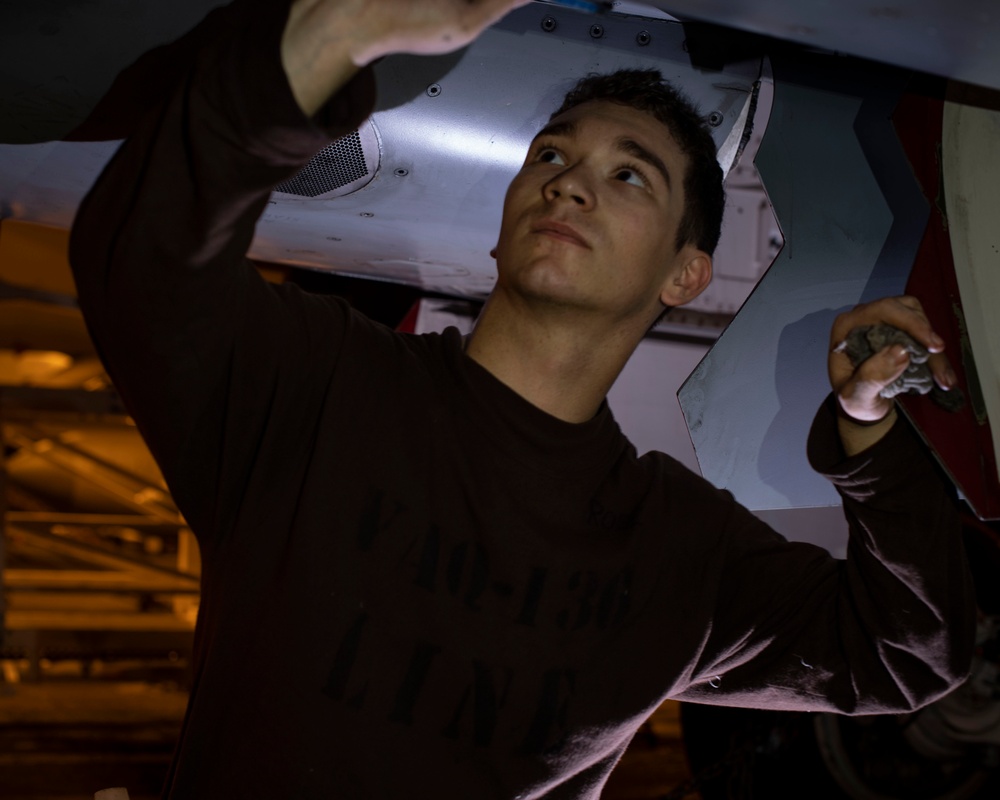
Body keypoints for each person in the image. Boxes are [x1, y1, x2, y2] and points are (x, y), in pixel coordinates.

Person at [68, 0, 975, 797]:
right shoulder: (322, 391)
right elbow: (141, 259)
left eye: (630, 175)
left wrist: (868, 430)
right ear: (499, 233)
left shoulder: (677, 553)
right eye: (551, 152)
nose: (568, 179)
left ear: (685, 274)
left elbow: (907, 652)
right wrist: (324, 41)